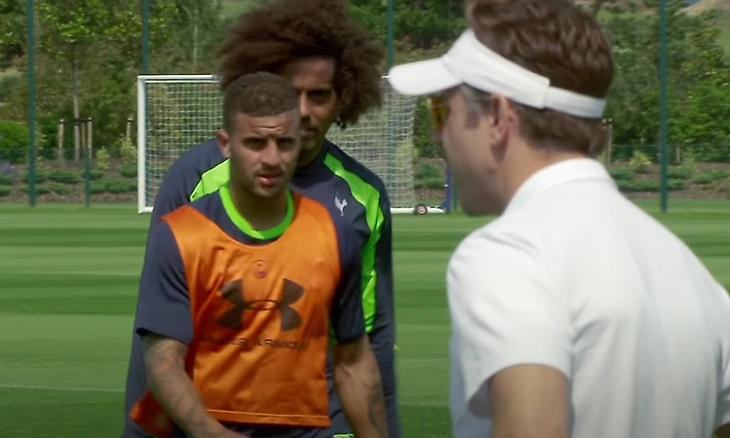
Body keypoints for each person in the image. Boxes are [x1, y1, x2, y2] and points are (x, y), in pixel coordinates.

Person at [387, 0, 730, 437]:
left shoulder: (511, 253)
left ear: (498, 116)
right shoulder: (691, 272)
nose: (439, 133)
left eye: (441, 109)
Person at [122, 1, 401, 437]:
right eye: (290, 92)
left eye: (319, 95)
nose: (303, 111)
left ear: (343, 98)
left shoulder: (362, 196)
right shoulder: (194, 180)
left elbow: (370, 336)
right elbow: (159, 339)